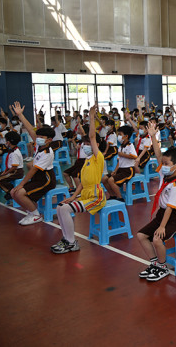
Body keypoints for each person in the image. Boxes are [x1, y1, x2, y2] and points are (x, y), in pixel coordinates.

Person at [51, 105, 107, 254]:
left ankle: (71, 242)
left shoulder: (98, 157)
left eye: (89, 144)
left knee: (65, 209)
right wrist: (73, 196)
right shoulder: (87, 161)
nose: (86, 146)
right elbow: (82, 182)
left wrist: (91, 115)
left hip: (96, 196)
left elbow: (93, 136)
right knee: (61, 206)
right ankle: (67, 239)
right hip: (85, 194)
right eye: (85, 144)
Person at [136, 121, 176, 282]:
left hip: (175, 217)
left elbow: (171, 209)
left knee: (157, 238)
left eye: (166, 164)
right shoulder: (165, 175)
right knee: (141, 235)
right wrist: (152, 136)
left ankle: (162, 267)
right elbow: (158, 155)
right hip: (162, 213)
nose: (163, 166)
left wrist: (162, 226)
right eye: (163, 164)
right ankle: (154, 263)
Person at [10, 101, 57, 226]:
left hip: (46, 179)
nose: (38, 138)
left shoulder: (47, 152)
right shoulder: (39, 144)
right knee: (13, 193)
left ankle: (36, 215)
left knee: (19, 192)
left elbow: (33, 170)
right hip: (38, 178)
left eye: (42, 137)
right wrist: (20, 115)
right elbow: (30, 128)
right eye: (38, 136)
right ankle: (31, 212)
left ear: (49, 140)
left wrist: (21, 184)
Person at [102, 125, 137, 202]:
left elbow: (134, 156)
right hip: (120, 169)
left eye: (120, 134)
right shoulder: (120, 147)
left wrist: (123, 155)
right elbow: (119, 161)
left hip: (128, 170)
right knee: (104, 179)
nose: (118, 136)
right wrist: (115, 171)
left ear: (126, 136)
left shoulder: (130, 146)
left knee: (111, 180)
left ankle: (120, 198)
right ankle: (112, 195)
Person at [0, 131, 24, 203]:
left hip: (16, 172)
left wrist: (5, 173)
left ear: (8, 142)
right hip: (11, 170)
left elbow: (14, 167)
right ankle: (10, 190)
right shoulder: (12, 150)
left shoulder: (14, 153)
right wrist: (5, 172)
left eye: (6, 141)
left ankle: (11, 192)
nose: (5, 142)